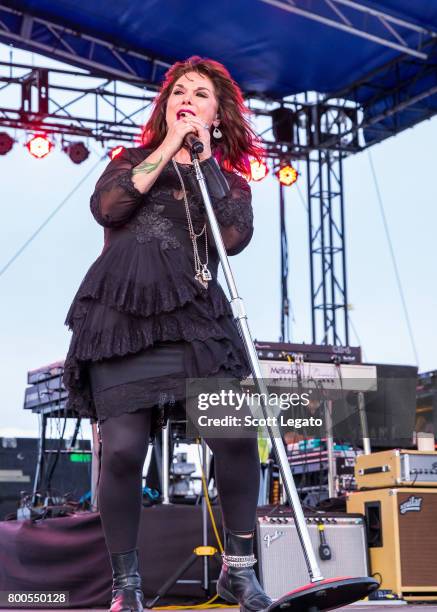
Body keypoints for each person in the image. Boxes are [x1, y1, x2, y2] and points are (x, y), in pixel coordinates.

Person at [63, 56, 272, 612]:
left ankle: (239, 570)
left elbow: (232, 238)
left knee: (233, 435)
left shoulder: (228, 182)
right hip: (121, 323)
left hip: (198, 324)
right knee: (125, 452)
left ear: (217, 116)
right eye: (179, 92)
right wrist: (167, 147)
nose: (187, 99)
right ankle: (125, 588)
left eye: (200, 95)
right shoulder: (130, 159)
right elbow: (108, 209)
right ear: (166, 109)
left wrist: (202, 160)